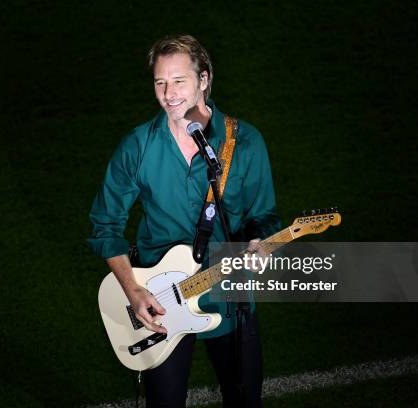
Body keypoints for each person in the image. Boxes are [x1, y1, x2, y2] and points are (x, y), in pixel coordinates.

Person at [88, 34, 280, 408]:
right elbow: (104, 225)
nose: (168, 93)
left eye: (179, 81)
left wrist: (261, 245)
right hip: (159, 300)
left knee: (244, 399)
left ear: (204, 79)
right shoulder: (138, 146)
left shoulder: (245, 142)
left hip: (229, 293)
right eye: (160, 82)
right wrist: (132, 289)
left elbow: (265, 218)